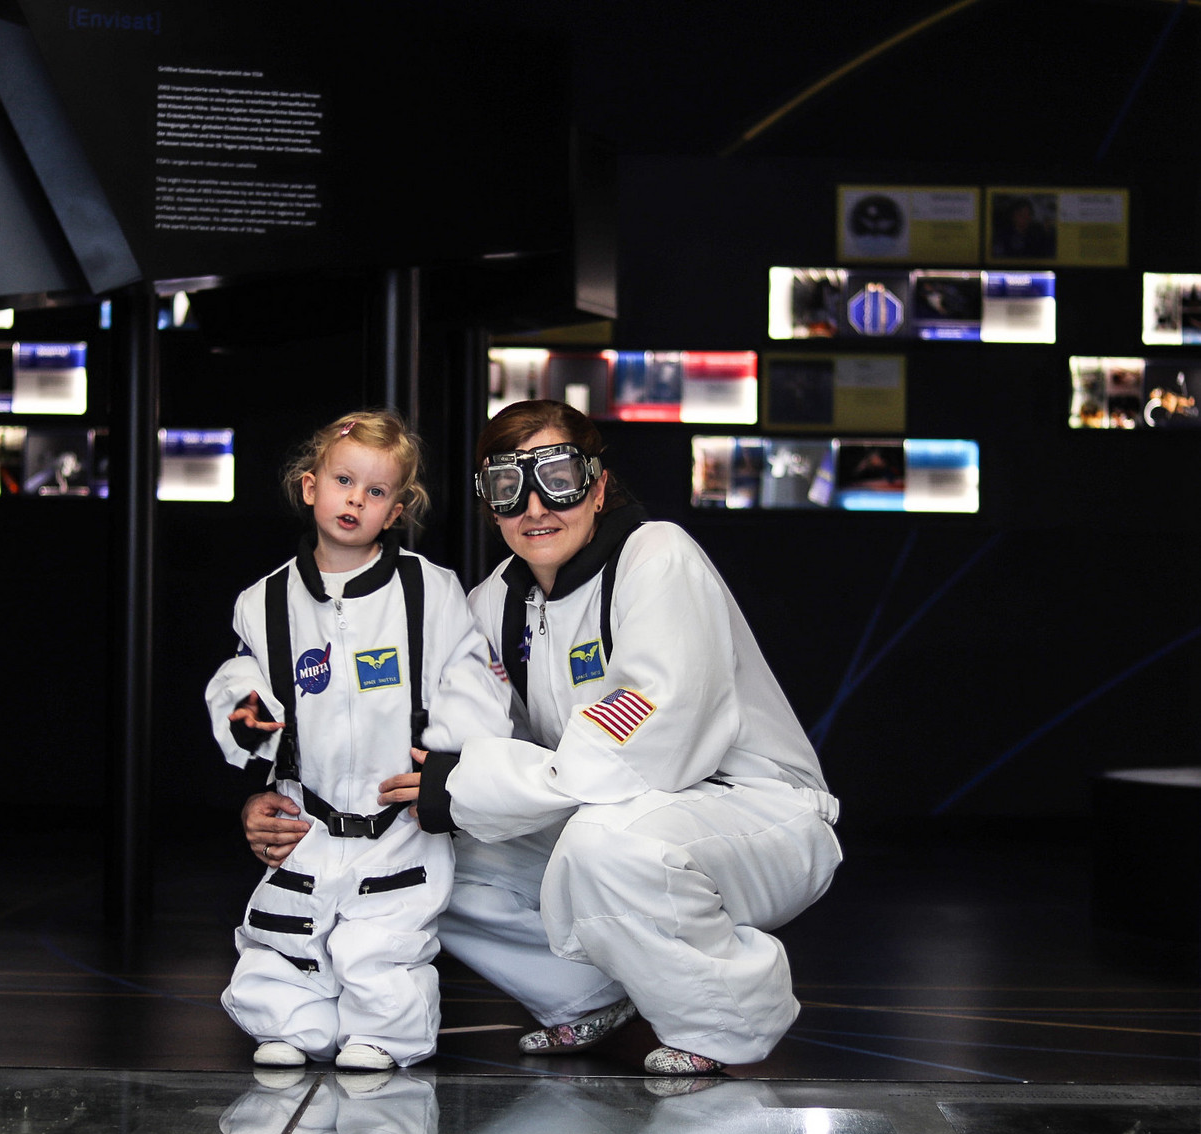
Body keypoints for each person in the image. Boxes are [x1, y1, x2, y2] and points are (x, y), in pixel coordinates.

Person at [375, 399, 843, 1076]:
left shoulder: (658, 557)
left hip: (757, 812)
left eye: (556, 476)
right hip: (605, 809)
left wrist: (471, 784)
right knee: (411, 851)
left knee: (607, 845)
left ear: (596, 484)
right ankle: (585, 996)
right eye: (508, 486)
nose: (535, 506)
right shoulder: (491, 604)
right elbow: (439, 738)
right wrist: (311, 803)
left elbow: (647, 743)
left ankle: (733, 1018)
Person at [207, 409, 511, 1073]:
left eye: (375, 492)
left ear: (397, 509)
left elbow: (471, 679)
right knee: (283, 935)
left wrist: (450, 764)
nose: (355, 499)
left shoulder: (428, 592)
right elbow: (238, 676)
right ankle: (292, 1024)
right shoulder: (264, 602)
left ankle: (385, 1036)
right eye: (344, 480)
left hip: (396, 816)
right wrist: (245, 714)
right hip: (305, 814)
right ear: (309, 485)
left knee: (387, 941)